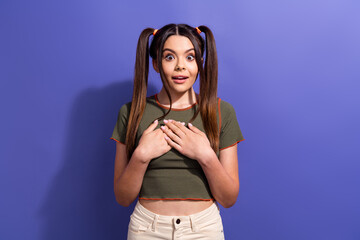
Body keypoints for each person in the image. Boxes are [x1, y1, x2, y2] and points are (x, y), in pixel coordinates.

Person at [110, 23, 245, 239]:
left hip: (204, 229)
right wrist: (141, 157)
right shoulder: (131, 112)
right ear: (155, 63)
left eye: (190, 57)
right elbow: (123, 197)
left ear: (200, 62)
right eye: (170, 57)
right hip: (146, 229)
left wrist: (206, 155)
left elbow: (228, 198)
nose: (180, 66)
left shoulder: (222, 111)